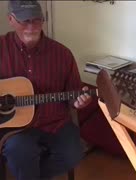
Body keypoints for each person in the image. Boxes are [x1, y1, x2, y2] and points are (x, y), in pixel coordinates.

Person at [0, 1, 92, 179]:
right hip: (15, 128)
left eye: (37, 20)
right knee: (19, 151)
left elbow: (74, 91)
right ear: (11, 19)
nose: (32, 27)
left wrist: (79, 101)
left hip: (55, 123)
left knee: (73, 153)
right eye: (24, 21)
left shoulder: (62, 54)